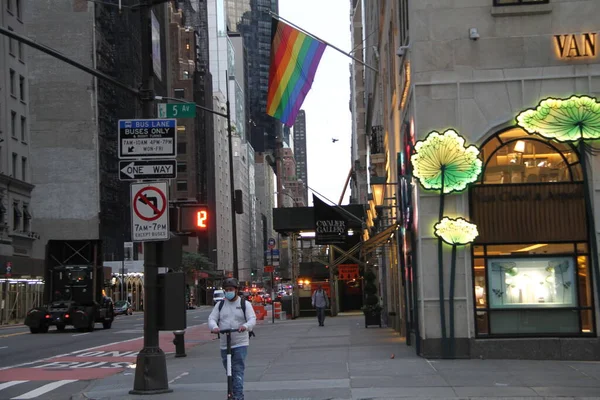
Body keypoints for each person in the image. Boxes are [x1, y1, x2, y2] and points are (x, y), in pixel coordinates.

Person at [208, 278, 256, 400]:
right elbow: (212, 318)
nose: (228, 292)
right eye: (226, 290)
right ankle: (233, 393)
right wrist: (214, 327)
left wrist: (245, 326)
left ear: (236, 290)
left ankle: (238, 396)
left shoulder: (244, 304)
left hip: (240, 343)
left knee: (237, 370)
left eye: (231, 290)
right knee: (229, 372)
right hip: (225, 343)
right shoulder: (220, 305)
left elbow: (252, 319)